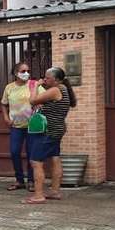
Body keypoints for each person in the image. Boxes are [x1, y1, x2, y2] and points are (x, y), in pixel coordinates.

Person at [24, 66, 77, 204]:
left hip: (47, 130)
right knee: (55, 158)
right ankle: (54, 191)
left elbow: (32, 100)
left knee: (36, 162)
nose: (45, 80)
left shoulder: (55, 90)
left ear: (56, 80)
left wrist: (35, 86)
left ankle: (38, 195)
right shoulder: (63, 89)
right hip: (57, 129)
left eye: (48, 78)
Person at [1, 62, 43, 191]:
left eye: (27, 71)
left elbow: (44, 99)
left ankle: (31, 181)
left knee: (32, 153)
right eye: (23, 71)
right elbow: (4, 104)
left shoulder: (33, 85)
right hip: (16, 126)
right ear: (15, 73)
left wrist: (40, 105)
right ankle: (19, 179)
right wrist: (6, 118)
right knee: (14, 152)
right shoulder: (9, 88)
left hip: (32, 125)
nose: (26, 74)